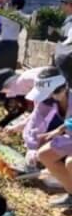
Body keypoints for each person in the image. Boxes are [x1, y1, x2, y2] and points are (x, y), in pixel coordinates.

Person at [24, 68, 72, 207]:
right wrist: (31, 147)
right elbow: (35, 121)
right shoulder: (48, 101)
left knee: (70, 163)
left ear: (60, 90)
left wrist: (59, 132)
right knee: (44, 154)